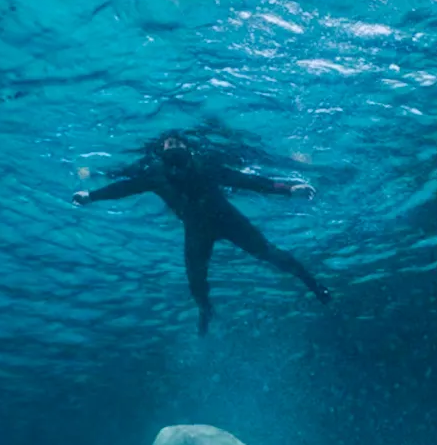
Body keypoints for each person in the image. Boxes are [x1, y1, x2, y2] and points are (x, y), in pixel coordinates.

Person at [74, 131, 330, 334]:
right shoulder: (154, 175)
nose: (173, 144)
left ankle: (312, 283)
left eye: (178, 142)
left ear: (188, 148)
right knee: (196, 280)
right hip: (197, 231)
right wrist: (91, 196)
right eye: (168, 143)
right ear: (160, 151)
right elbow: (124, 188)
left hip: (229, 221)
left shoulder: (205, 165)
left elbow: (246, 181)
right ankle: (205, 311)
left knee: (270, 254)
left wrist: (288, 189)